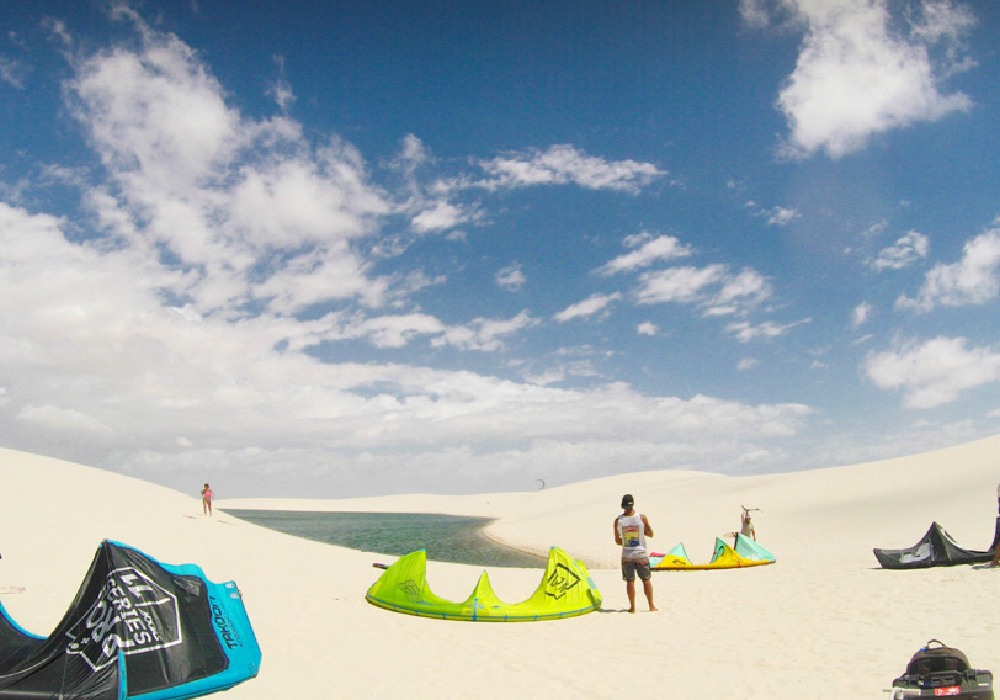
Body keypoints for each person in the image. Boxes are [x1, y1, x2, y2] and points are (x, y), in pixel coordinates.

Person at [613, 493, 656, 613]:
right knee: (646, 579)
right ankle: (651, 606)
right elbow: (651, 534)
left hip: (627, 554)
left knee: (630, 581)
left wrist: (627, 540)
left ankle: (632, 607)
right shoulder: (642, 518)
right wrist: (645, 529)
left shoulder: (618, 520)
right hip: (641, 553)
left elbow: (617, 541)